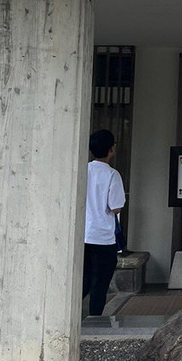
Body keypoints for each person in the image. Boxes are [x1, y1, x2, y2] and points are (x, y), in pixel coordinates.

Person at [83, 129, 126, 317]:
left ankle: (70, 317)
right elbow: (116, 207)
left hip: (82, 235)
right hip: (103, 237)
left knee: (82, 280)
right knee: (100, 284)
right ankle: (94, 320)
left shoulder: (82, 170)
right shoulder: (112, 174)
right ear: (111, 150)